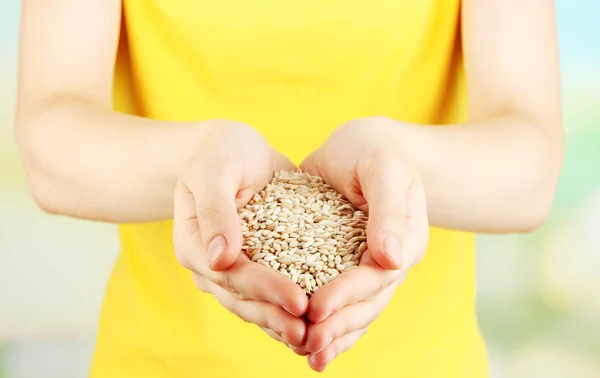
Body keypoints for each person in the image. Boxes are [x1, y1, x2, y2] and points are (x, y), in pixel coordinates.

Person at [15, 0, 562, 377]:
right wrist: (195, 161)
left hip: (422, 362)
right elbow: (51, 138)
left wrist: (399, 165)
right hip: (161, 362)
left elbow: (530, 167)